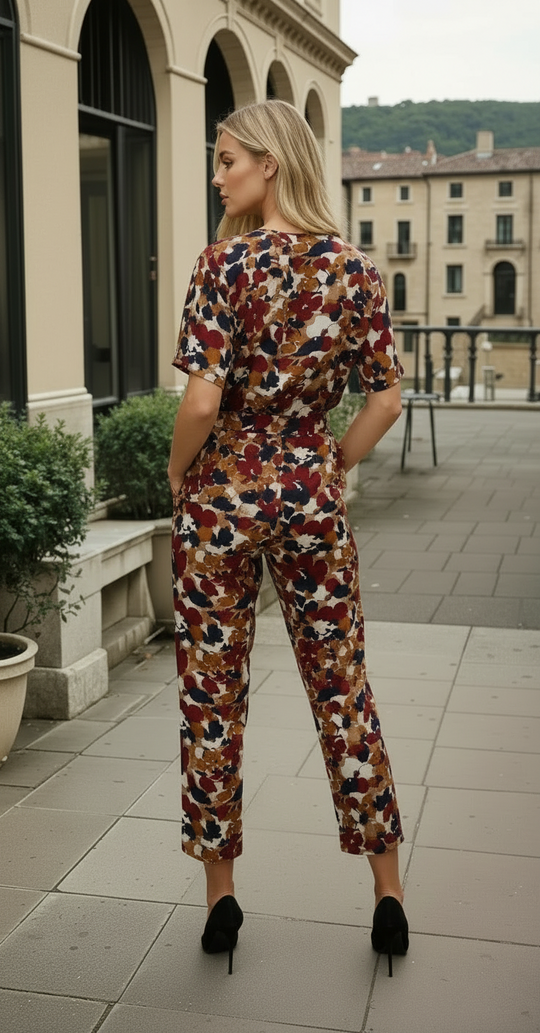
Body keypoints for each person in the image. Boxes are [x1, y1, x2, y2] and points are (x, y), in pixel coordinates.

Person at [168, 99, 408, 978]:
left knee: (211, 694)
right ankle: (388, 894)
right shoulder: (356, 270)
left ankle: (220, 899)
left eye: (227, 159)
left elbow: (201, 401)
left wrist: (177, 475)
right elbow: (386, 400)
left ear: (269, 163)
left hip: (222, 497)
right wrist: (326, 463)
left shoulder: (221, 265)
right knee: (342, 686)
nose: (218, 175)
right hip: (310, 493)